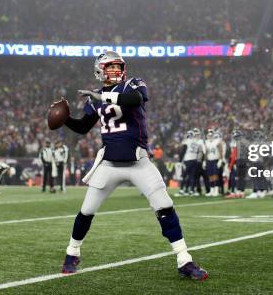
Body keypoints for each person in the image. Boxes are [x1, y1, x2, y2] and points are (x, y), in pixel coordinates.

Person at [56, 50, 207, 280]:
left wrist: (102, 97)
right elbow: (83, 127)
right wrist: (65, 119)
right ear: (99, 70)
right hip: (109, 163)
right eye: (110, 67)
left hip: (137, 161)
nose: (116, 71)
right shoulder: (95, 97)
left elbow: (135, 100)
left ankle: (184, 259)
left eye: (118, 67)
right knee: (86, 211)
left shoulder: (133, 85)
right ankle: (72, 253)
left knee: (165, 207)